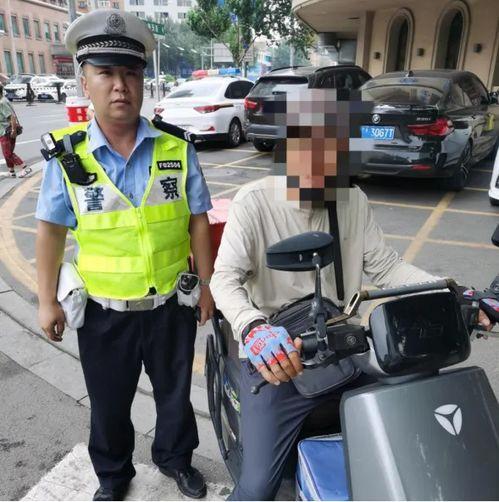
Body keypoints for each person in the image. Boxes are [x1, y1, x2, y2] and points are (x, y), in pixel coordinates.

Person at [210, 88, 493, 500]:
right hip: (280, 356)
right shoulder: (254, 202)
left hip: (342, 344)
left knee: (413, 425)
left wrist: (453, 292)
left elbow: (386, 266)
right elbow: (224, 279)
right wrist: (253, 328)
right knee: (257, 488)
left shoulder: (351, 199)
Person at [35, 10, 214, 501]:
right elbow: (50, 231)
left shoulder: (177, 148)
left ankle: (175, 459)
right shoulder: (68, 158)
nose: (120, 86)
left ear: (143, 82)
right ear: (85, 83)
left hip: (170, 306)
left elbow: (198, 219)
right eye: (106, 73)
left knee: (175, 394)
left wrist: (206, 286)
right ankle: (113, 476)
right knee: (109, 403)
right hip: (103, 312)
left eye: (130, 73)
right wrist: (46, 300)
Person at [0, 84, 30, 178]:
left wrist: (13, 130)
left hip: (6, 131)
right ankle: (11, 171)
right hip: (9, 130)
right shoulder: (4, 100)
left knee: (7, 153)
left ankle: (25, 167)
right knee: (8, 152)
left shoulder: (1, 103)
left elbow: (11, 117)